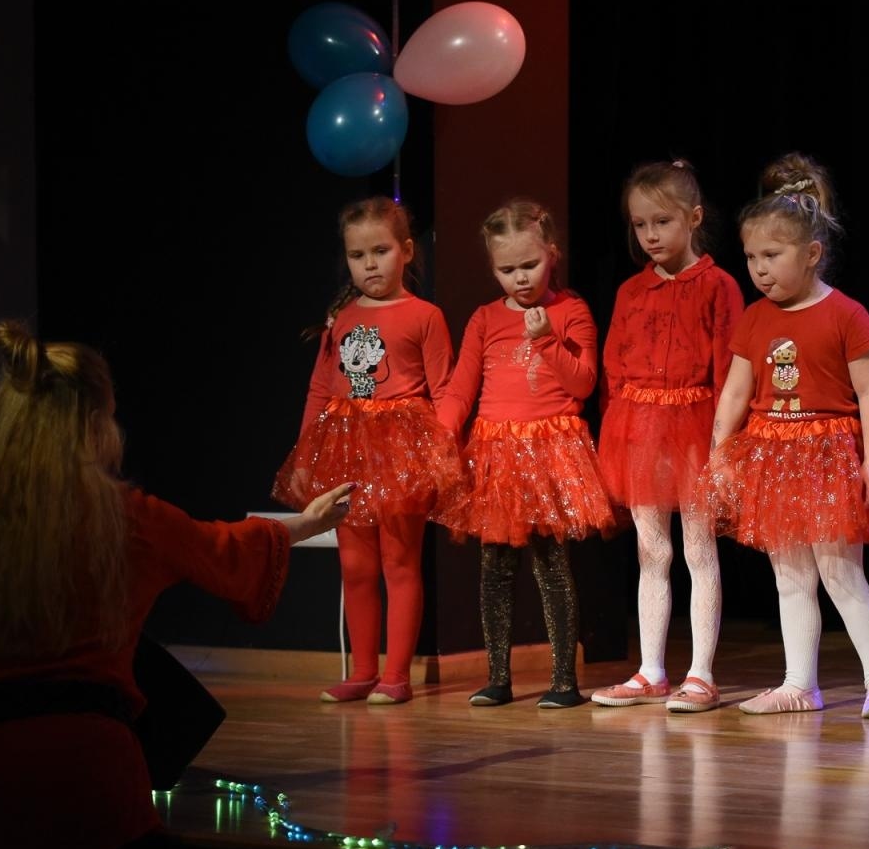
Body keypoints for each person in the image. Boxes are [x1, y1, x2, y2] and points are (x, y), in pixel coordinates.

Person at [0, 320, 350, 849]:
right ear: (93, 424)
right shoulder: (123, 518)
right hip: (87, 796)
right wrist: (300, 526)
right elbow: (220, 549)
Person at [703, 153, 869, 718]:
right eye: (751, 257)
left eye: (772, 256)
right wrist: (720, 449)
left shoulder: (846, 315)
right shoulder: (754, 318)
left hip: (828, 455)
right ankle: (799, 683)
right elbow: (735, 391)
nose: (760, 269)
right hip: (773, 453)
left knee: (840, 572)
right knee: (790, 574)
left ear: (813, 253)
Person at [273, 196, 458, 705]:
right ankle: (362, 670)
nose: (370, 264)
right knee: (355, 567)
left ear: (407, 251)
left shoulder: (425, 316)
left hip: (401, 453)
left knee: (400, 563)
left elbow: (443, 389)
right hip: (347, 451)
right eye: (358, 255)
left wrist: (441, 455)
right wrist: (308, 455)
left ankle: (396, 674)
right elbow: (320, 388)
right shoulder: (342, 316)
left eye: (380, 251)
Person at [434, 200, 614, 708]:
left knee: (551, 565)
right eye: (506, 269)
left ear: (551, 255)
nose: (519, 278)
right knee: (494, 567)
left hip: (549, 450)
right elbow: (460, 388)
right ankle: (498, 677)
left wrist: (546, 340)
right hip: (495, 453)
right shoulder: (485, 319)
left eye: (529, 265)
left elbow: (582, 382)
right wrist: (441, 435)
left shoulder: (572, 311)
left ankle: (563, 680)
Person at [592, 160, 743, 713]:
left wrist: (725, 445)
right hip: (639, 432)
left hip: (696, 431)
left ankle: (701, 672)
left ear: (694, 218)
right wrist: (617, 434)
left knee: (700, 549)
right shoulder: (631, 291)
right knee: (651, 550)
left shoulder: (719, 286)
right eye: (639, 224)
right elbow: (614, 365)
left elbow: (730, 369)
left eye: (662, 222)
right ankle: (651, 670)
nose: (650, 235)